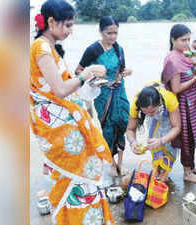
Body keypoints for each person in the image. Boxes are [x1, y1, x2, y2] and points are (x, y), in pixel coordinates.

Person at [30, 1, 114, 224]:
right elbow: (59, 90)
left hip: (63, 124)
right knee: (74, 177)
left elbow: (65, 87)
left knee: (79, 177)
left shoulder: (48, 48)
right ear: (51, 22)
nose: (70, 31)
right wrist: (86, 74)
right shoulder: (41, 48)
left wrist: (91, 81)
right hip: (58, 129)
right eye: (67, 25)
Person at [75, 16, 132, 176]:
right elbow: (78, 70)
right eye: (109, 33)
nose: (112, 37)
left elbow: (122, 69)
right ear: (101, 31)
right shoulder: (93, 49)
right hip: (103, 94)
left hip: (120, 92)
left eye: (115, 33)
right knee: (108, 127)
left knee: (122, 123)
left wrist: (128, 72)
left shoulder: (118, 49)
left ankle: (121, 163)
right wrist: (95, 79)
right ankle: (111, 163)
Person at [161, 24, 196, 183]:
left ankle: (192, 166)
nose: (187, 43)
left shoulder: (183, 55)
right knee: (186, 137)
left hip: (192, 102)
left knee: (194, 135)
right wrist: (195, 79)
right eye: (183, 40)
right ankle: (187, 173)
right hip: (183, 104)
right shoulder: (173, 59)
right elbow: (176, 88)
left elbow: (191, 64)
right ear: (173, 40)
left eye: (188, 39)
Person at [126, 85, 181, 182]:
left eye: (152, 111)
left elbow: (176, 127)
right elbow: (130, 129)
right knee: (153, 139)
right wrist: (133, 143)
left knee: (168, 144)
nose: (149, 115)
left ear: (159, 103)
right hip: (155, 116)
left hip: (167, 116)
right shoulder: (136, 103)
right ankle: (157, 168)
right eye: (145, 112)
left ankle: (165, 170)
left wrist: (161, 141)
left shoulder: (170, 98)